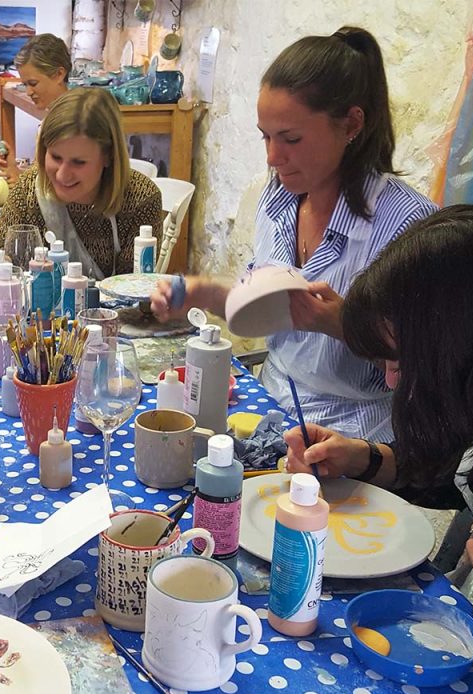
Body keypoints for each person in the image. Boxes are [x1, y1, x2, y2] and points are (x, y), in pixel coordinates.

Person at [150, 27, 437, 442]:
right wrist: (200, 292)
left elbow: (431, 375)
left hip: (353, 438)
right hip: (271, 409)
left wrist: (345, 325)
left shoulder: (406, 224)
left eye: (291, 138)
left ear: (351, 124)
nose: (272, 156)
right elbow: (268, 305)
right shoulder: (281, 198)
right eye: (265, 136)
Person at [282, 205, 473, 630]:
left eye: (400, 360)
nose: (390, 381)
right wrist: (365, 460)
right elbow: (457, 476)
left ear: (469, 351)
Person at [0, 88, 161, 280]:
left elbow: (138, 292)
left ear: (108, 156)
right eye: (55, 157)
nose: (63, 175)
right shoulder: (28, 191)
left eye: (78, 162)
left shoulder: (141, 197)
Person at [0, 33, 72, 186]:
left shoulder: (72, 123)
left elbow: (62, 186)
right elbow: (45, 177)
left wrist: (22, 181)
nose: (29, 92)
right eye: (25, 84)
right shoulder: (51, 119)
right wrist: (14, 169)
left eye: (33, 83)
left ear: (59, 74)